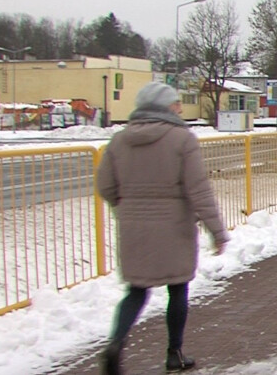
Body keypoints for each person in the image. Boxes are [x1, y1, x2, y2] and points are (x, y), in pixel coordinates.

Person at [96, 82, 229, 374]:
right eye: (176, 103)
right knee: (177, 288)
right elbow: (199, 190)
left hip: (133, 228)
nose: (180, 108)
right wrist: (217, 231)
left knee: (136, 291)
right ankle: (174, 353)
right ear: (166, 107)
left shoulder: (118, 141)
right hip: (174, 227)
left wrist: (126, 207)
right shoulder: (182, 139)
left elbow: (105, 186)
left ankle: (116, 343)